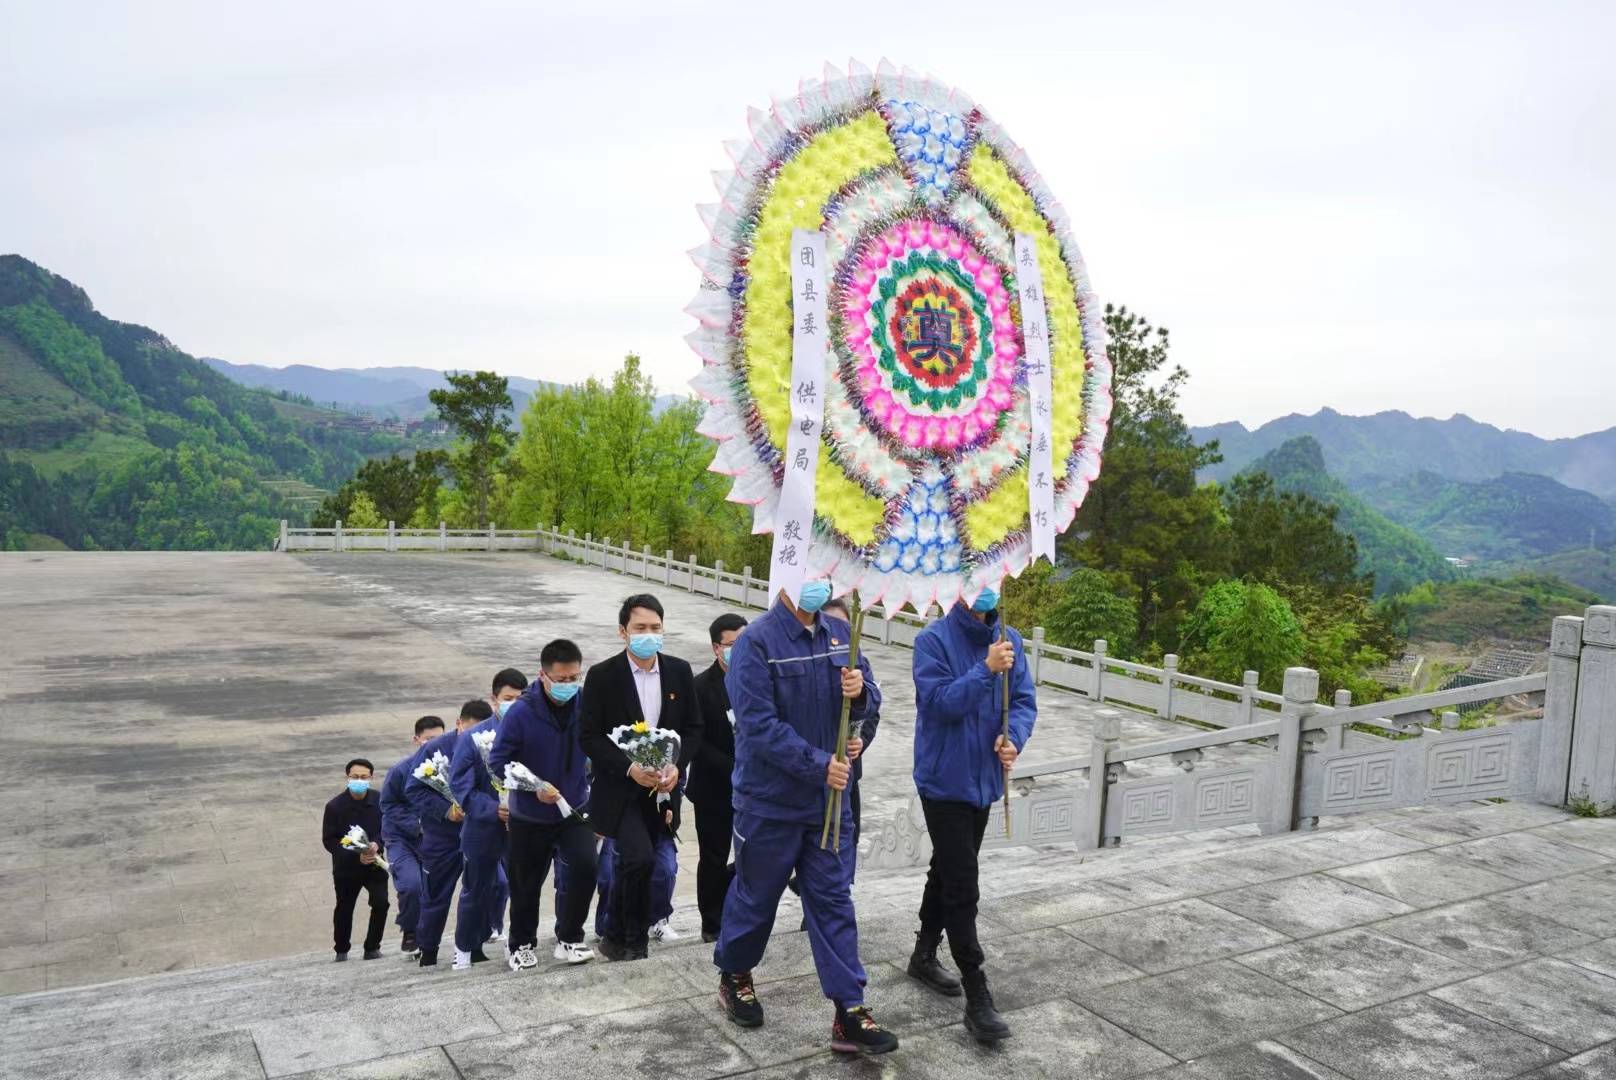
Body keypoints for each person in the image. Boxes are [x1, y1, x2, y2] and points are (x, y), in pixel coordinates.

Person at [714, 579, 897, 1056]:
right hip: (769, 804)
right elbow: (757, 726)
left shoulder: (842, 635)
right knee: (756, 898)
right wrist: (819, 764)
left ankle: (850, 1010)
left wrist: (860, 698)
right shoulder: (756, 643)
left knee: (834, 901)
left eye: (825, 575)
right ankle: (735, 974)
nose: (819, 585)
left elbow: (870, 707)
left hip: (829, 807)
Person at [907, 585, 1036, 1044]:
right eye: (974, 581)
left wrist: (1013, 738)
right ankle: (977, 991)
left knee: (947, 868)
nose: (985, 591)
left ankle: (923, 953)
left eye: (992, 581)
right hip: (944, 780)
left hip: (984, 778)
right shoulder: (933, 642)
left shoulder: (1010, 639)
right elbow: (940, 705)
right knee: (963, 882)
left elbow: (1022, 702)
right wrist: (984, 670)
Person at [579, 593, 701, 961]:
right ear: (623, 631)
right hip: (621, 789)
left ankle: (616, 936)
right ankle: (633, 941)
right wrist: (629, 767)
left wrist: (677, 765)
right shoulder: (603, 676)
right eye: (640, 628)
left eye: (655, 627)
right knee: (638, 858)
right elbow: (588, 736)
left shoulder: (679, 671)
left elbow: (694, 728)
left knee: (641, 863)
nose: (649, 634)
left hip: (663, 789)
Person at [487, 639, 599, 970]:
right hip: (530, 815)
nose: (569, 685)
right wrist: (532, 786)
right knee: (526, 883)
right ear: (543, 675)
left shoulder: (586, 704)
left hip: (574, 808)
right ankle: (521, 943)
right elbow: (498, 762)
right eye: (561, 679)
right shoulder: (522, 712)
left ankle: (570, 937)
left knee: (585, 866)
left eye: (574, 678)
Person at [407, 700, 491, 967]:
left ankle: (473, 945)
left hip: (479, 833)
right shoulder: (434, 749)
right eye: (470, 729)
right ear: (458, 724)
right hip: (442, 837)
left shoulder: (490, 744)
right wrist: (446, 810)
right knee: (436, 895)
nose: (474, 736)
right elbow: (414, 789)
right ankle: (428, 950)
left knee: (485, 888)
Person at [450, 683, 517, 971]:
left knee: (523, 888)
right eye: (507, 698)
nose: (513, 703)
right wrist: (494, 809)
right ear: (495, 699)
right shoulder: (474, 737)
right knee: (475, 890)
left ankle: (518, 945)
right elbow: (460, 785)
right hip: (483, 828)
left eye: (519, 698)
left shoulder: (529, 730)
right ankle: (464, 948)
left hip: (522, 826)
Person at [689, 612, 746, 942]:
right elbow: (695, 741)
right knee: (713, 855)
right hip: (713, 788)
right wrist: (733, 766)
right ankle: (711, 922)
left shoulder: (758, 678)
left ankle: (736, 906)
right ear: (716, 647)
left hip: (754, 788)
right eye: (733, 644)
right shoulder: (699, 686)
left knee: (755, 853)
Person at [379, 715, 445, 955]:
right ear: (416, 740)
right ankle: (410, 931)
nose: (433, 744)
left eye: (439, 738)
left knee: (433, 889)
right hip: (401, 839)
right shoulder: (400, 770)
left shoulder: (446, 768)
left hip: (434, 839)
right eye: (428, 739)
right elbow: (388, 805)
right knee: (411, 886)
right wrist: (416, 824)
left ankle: (426, 931)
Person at [322, 758, 389, 962]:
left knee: (381, 903)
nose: (359, 780)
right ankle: (341, 949)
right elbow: (329, 840)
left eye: (363, 777)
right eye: (355, 777)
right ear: (347, 777)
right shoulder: (334, 806)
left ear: (371, 778)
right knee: (345, 906)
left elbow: (386, 828)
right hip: (346, 868)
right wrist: (354, 854)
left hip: (374, 864)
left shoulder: (379, 800)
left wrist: (377, 844)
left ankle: (372, 947)